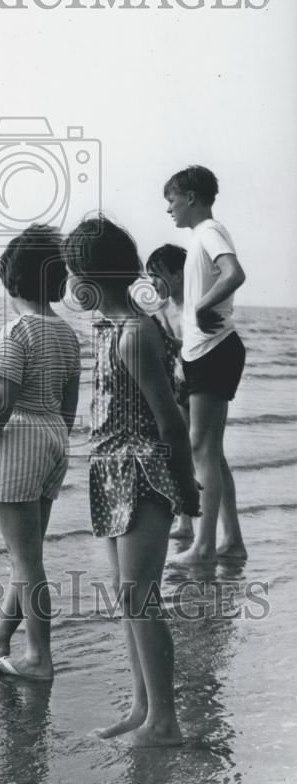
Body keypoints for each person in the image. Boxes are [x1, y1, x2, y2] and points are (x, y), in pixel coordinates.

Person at [63, 216, 201, 746]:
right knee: (128, 597)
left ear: (91, 277)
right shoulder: (110, 329)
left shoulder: (135, 334)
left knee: (141, 596)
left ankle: (165, 720)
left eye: (73, 273)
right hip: (112, 471)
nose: (70, 284)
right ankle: (142, 707)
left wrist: (186, 489)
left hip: (143, 472)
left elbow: (170, 420)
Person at [0, 225, 80, 681]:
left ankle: (38, 657)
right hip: (54, 439)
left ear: (12, 282)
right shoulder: (67, 334)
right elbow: (68, 405)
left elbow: (3, 400)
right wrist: (54, 441)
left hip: (21, 441)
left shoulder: (16, 331)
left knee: (26, 560)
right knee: (27, 553)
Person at [164, 165, 248, 563]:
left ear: (191, 197)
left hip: (215, 349)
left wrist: (200, 307)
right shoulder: (202, 235)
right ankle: (231, 542)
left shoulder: (208, 231)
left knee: (201, 447)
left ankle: (203, 546)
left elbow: (234, 273)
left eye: (172, 200)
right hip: (206, 351)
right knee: (211, 452)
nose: (169, 209)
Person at [145, 244, 194, 540]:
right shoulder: (163, 309)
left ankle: (190, 522)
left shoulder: (194, 306)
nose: (152, 282)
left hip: (199, 381)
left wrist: (168, 343)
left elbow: (197, 345)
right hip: (178, 383)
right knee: (179, 451)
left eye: (157, 275)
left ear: (178, 275)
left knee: (197, 451)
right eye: (149, 276)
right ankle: (184, 522)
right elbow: (166, 349)